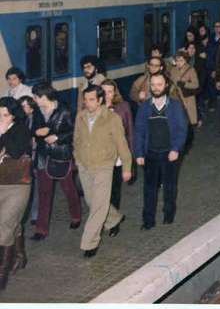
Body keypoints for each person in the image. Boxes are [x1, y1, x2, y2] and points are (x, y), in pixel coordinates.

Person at [73, 86, 132, 258]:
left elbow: (122, 144)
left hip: (104, 166)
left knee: (98, 206)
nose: (87, 103)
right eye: (86, 99)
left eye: (91, 99)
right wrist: (78, 159)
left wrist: (127, 167)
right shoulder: (80, 116)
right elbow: (76, 140)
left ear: (100, 100)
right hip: (85, 166)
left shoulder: (112, 118)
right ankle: (114, 219)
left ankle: (89, 242)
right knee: (93, 201)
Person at [133, 73, 188, 230]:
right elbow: (139, 131)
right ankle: (148, 220)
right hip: (150, 154)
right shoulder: (145, 107)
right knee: (149, 189)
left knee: (169, 186)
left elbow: (181, 130)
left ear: (166, 86)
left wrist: (176, 149)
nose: (156, 88)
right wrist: (139, 153)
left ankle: (168, 214)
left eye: (159, 84)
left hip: (169, 154)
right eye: (153, 85)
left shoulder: (175, 106)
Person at [30, 83, 81, 240]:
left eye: (36, 97)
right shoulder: (37, 111)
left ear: (44, 97)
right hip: (42, 156)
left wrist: (57, 137)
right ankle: (41, 229)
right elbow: (34, 129)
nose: (34, 99)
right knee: (44, 192)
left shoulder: (64, 111)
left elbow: (75, 131)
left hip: (60, 155)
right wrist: (37, 132)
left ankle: (76, 216)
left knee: (68, 189)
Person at [0, 97, 32, 290]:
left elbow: (17, 150)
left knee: (3, 225)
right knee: (13, 223)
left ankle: (2, 274)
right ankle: (20, 256)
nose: (1, 118)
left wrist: (3, 132)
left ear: (13, 115)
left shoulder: (21, 130)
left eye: (5, 115)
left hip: (17, 186)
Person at [100, 80, 133, 210]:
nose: (107, 95)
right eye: (104, 92)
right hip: (98, 155)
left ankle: (114, 221)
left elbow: (130, 132)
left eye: (110, 92)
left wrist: (129, 162)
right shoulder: (92, 107)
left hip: (117, 156)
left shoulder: (123, 107)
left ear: (115, 93)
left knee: (114, 188)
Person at [18, 96, 43, 227]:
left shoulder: (38, 118)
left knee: (36, 187)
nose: (22, 109)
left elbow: (39, 137)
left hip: (36, 157)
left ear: (31, 107)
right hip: (24, 157)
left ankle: (35, 214)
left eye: (24, 106)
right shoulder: (21, 119)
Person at [169, 50, 199, 149]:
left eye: (181, 60)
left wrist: (184, 84)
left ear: (185, 60)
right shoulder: (173, 70)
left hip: (187, 98)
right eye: (177, 60)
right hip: (176, 97)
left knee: (187, 120)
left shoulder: (191, 70)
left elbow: (196, 84)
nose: (179, 62)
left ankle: (187, 140)